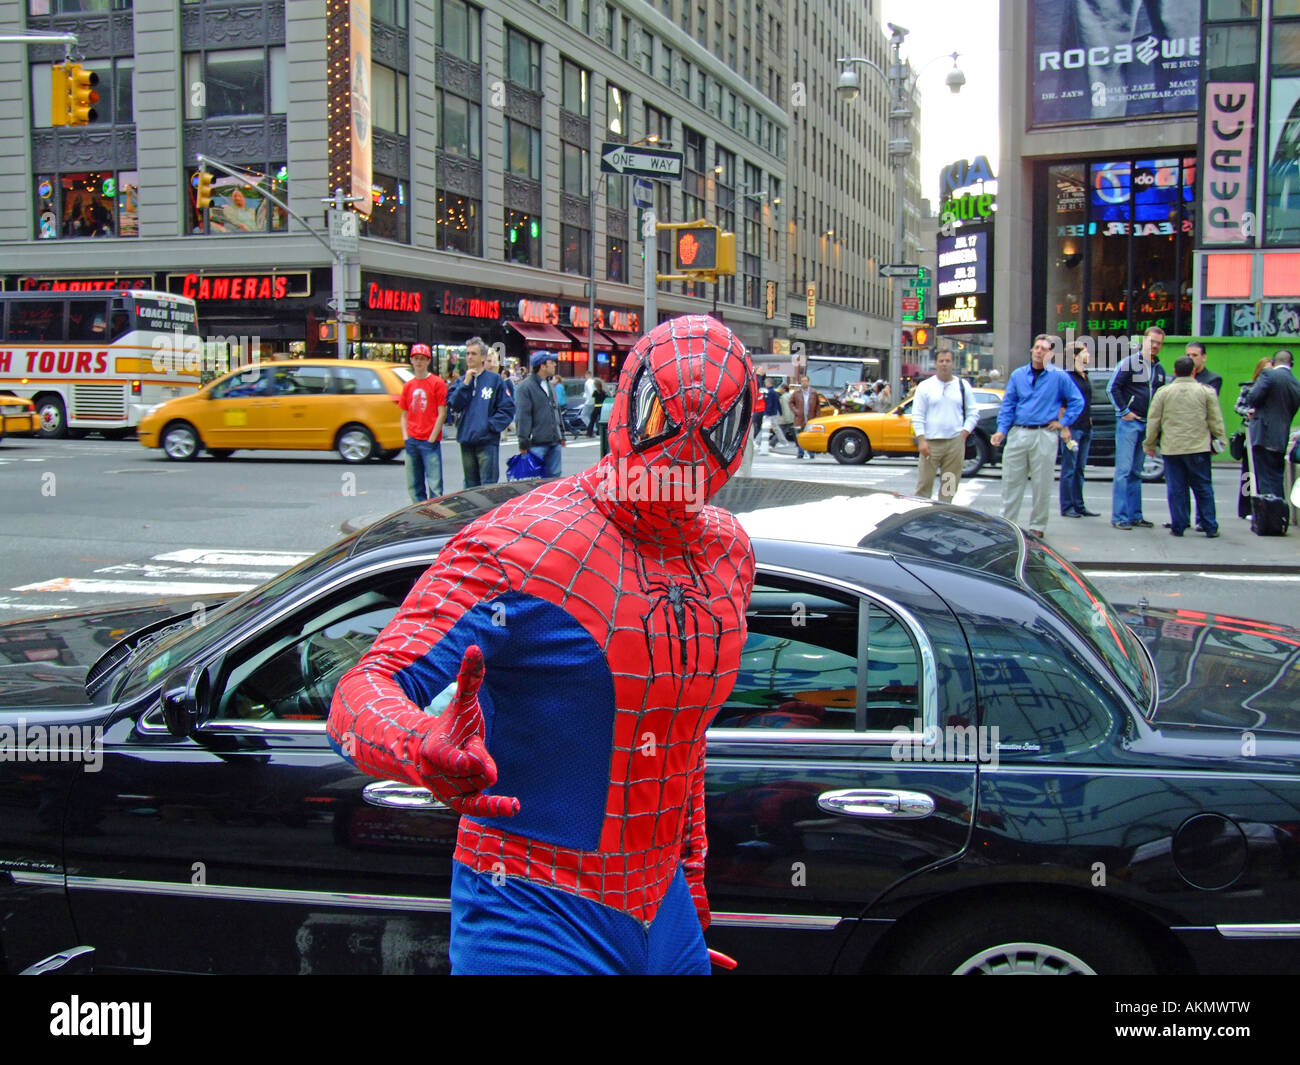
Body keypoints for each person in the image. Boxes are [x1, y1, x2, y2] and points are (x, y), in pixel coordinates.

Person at [327, 314, 759, 974]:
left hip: (660, 908)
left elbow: (679, 735)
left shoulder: (726, 551)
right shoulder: (523, 543)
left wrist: (689, 888)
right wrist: (421, 747)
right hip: (529, 906)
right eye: (666, 419)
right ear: (628, 405)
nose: (686, 451)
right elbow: (362, 689)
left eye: (714, 427)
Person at [990, 334, 1084, 538]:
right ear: (1032, 350)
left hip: (1045, 433)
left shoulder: (1058, 376)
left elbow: (1077, 401)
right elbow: (1008, 405)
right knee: (1010, 481)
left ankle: (1037, 526)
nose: (1040, 351)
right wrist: (1001, 430)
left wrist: (1063, 422)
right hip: (1019, 432)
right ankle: (1008, 524)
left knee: (1042, 483)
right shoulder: (1018, 375)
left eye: (1045, 348)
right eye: (1037, 347)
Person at [1143, 355, 1227, 538]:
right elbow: (1215, 420)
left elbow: (1153, 420)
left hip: (1172, 448)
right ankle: (1210, 526)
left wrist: (1149, 444)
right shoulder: (1206, 392)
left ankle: (1179, 526)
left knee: (1176, 489)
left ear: (1174, 371)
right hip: (1198, 447)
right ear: (1194, 371)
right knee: (1203, 487)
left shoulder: (1163, 393)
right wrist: (1221, 440)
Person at [1106, 326, 1168, 530]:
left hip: (1146, 424)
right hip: (1129, 423)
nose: (1155, 346)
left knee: (1136, 472)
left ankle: (1134, 515)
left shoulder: (1159, 369)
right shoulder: (1130, 363)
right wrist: (1123, 411)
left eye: (1159, 343)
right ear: (1144, 341)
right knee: (1123, 471)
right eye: (1152, 342)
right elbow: (1112, 387)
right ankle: (1120, 517)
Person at [911, 350, 978, 504]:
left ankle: (944, 514)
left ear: (953, 363)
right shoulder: (925, 386)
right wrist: (921, 440)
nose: (944, 364)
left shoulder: (963, 386)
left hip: (954, 444)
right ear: (936, 364)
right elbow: (918, 415)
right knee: (924, 485)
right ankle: (921, 516)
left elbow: (973, 412)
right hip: (930, 443)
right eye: (941, 361)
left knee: (949, 487)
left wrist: (964, 433)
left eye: (948, 361)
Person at [447, 336, 515, 487]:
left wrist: (490, 426)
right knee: (470, 486)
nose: (469, 357)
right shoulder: (461, 381)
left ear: (483, 357)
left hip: (487, 441)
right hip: (466, 439)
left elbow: (507, 408)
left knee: (487, 486)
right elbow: (454, 405)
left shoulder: (494, 380)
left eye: (474, 353)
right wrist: (465, 384)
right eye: (468, 353)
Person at [1244, 349, 1300, 501]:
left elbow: (1253, 397)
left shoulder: (1268, 374)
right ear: (1291, 364)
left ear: (1274, 362)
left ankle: (1267, 518)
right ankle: (1279, 515)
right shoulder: (1295, 383)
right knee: (1276, 478)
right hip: (1280, 436)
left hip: (1264, 434)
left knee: (1264, 480)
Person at [400, 344, 447, 502]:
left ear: (428, 361)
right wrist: (406, 437)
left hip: (429, 440)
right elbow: (403, 414)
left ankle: (434, 517)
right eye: (416, 358)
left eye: (422, 358)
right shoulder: (408, 386)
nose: (419, 362)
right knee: (414, 484)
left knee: (435, 485)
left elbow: (442, 413)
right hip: (412, 440)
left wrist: (432, 437)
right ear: (411, 360)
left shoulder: (437, 383)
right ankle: (419, 516)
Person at [1059, 341, 1099, 518]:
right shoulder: (1067, 376)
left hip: (1085, 427)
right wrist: (1064, 428)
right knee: (1069, 467)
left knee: (1080, 468)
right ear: (1075, 355)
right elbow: (1061, 404)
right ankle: (1067, 506)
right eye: (1085, 352)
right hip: (1072, 429)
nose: (1088, 355)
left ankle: (1079, 504)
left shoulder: (1084, 374)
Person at [1235, 357, 1275, 518]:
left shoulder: (1274, 390)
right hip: (1250, 435)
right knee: (1248, 474)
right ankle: (1246, 508)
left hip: (1268, 434)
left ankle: (1264, 507)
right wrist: (1248, 412)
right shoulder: (1249, 388)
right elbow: (1238, 406)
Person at [516, 350, 566, 476]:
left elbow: (556, 411)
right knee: (534, 481)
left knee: (554, 480)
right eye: (551, 362)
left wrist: (562, 434)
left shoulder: (549, 385)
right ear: (542, 366)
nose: (554, 365)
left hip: (554, 441)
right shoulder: (526, 387)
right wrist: (523, 441)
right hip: (536, 443)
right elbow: (523, 416)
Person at [791, 375, 824, 460]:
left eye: (805, 381)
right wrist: (796, 411)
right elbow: (791, 403)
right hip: (799, 418)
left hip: (811, 418)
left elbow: (817, 406)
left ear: (808, 382)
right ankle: (800, 452)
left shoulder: (813, 392)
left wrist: (817, 417)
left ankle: (811, 452)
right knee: (799, 435)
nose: (804, 383)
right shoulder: (796, 392)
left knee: (811, 436)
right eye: (802, 381)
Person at [580, 371, 600, 437]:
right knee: (590, 416)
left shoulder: (588, 382)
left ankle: (592, 428)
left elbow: (591, 392)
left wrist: (590, 398)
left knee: (583, 415)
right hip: (594, 401)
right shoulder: (594, 381)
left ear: (587, 375)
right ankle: (593, 429)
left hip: (589, 401)